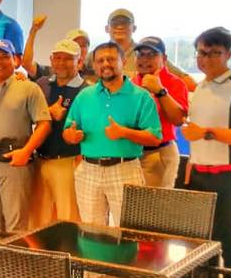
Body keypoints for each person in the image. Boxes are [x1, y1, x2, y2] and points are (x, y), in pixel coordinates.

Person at [183, 26, 231, 278]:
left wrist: (207, 133)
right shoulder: (201, 87)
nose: (206, 58)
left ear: (228, 54)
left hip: (227, 178)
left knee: (228, 241)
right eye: (201, 52)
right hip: (198, 174)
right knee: (202, 241)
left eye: (214, 53)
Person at [63, 42, 161, 226]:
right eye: (100, 60)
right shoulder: (84, 96)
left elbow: (155, 138)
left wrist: (124, 132)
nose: (105, 64)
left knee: (129, 230)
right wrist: (71, 136)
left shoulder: (141, 96)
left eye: (111, 59)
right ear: (94, 65)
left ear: (123, 61)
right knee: (91, 231)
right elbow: (68, 131)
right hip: (89, 170)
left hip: (125, 169)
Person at [0, 39, 51, 234]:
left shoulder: (29, 88)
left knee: (16, 227)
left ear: (15, 60)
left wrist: (27, 151)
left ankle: (14, 256)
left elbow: (44, 124)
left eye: (5, 57)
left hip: (15, 166)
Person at [29, 39, 87, 229]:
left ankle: (68, 249)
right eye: (58, 58)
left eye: (68, 59)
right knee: (37, 218)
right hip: (40, 159)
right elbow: (28, 114)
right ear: (51, 60)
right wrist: (48, 112)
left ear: (79, 61)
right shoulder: (42, 84)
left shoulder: (86, 91)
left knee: (68, 218)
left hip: (68, 162)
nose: (61, 63)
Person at [131, 37, 188, 188]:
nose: (144, 59)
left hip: (159, 152)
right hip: (132, 152)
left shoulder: (175, 83)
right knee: (131, 202)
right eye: (140, 54)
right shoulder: (131, 83)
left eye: (151, 55)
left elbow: (178, 120)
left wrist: (160, 91)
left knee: (156, 202)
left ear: (164, 58)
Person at [95, 9, 195, 89]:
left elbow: (186, 81)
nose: (120, 27)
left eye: (125, 23)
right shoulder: (94, 55)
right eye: (115, 24)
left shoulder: (147, 51)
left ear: (134, 28)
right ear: (107, 28)